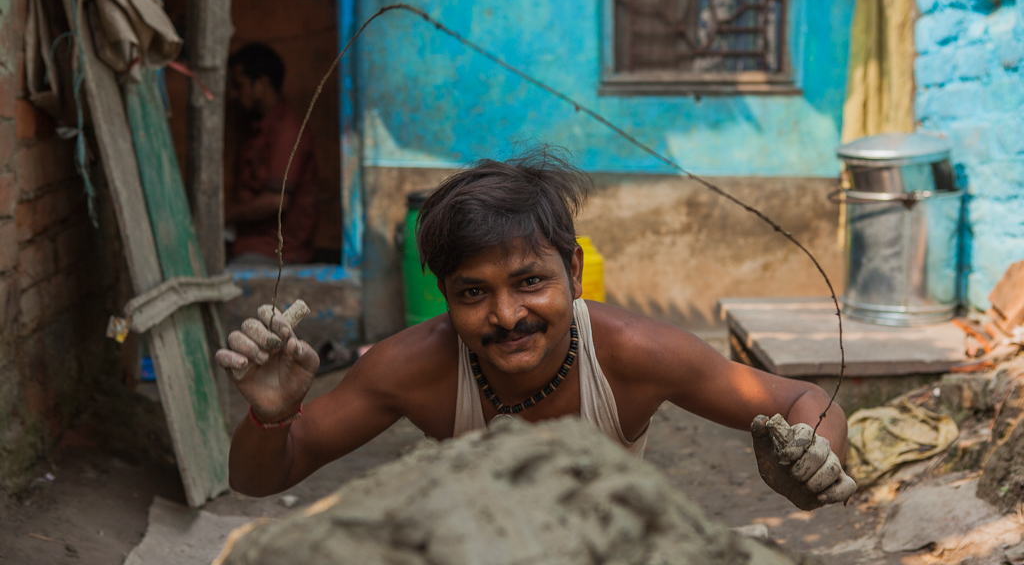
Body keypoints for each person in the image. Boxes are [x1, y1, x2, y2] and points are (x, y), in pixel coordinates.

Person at [216, 150, 857, 510]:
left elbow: (807, 401)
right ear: (443, 296)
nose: (507, 316)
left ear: (573, 269)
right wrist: (272, 416)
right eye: (473, 293)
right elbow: (260, 478)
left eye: (529, 282)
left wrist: (813, 459)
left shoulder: (635, 354)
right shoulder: (407, 369)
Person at [225, 43, 317, 265]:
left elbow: (277, 201)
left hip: (276, 252)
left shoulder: (287, 129)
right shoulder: (254, 127)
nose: (234, 95)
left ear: (263, 84)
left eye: (239, 85)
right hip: (247, 243)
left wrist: (225, 215)